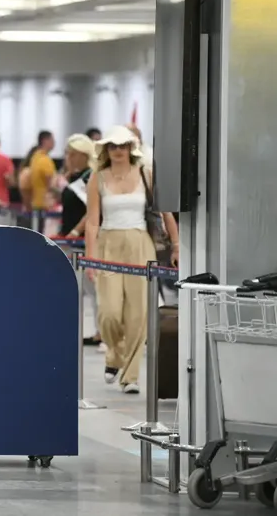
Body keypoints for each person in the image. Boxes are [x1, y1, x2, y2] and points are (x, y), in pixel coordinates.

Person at [85, 125, 179, 394]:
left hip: (141, 244)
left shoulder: (146, 174)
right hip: (108, 244)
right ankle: (115, 355)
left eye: (123, 145)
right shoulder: (98, 178)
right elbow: (92, 222)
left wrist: (176, 246)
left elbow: (166, 213)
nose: (118, 150)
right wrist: (91, 257)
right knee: (110, 313)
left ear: (131, 148)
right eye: (113, 146)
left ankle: (130, 375)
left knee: (138, 313)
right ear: (106, 149)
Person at [59, 134, 100, 347]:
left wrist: (76, 231)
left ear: (84, 155)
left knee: (92, 287)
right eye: (67, 153)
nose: (68, 157)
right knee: (80, 286)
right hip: (72, 242)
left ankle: (101, 333)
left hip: (84, 242)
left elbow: (92, 210)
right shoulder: (76, 177)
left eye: (72, 154)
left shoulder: (89, 177)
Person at [26, 130, 57, 216]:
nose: (54, 143)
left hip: (36, 202)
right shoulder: (45, 159)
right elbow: (51, 183)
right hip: (45, 206)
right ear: (45, 141)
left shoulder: (35, 157)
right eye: (52, 140)